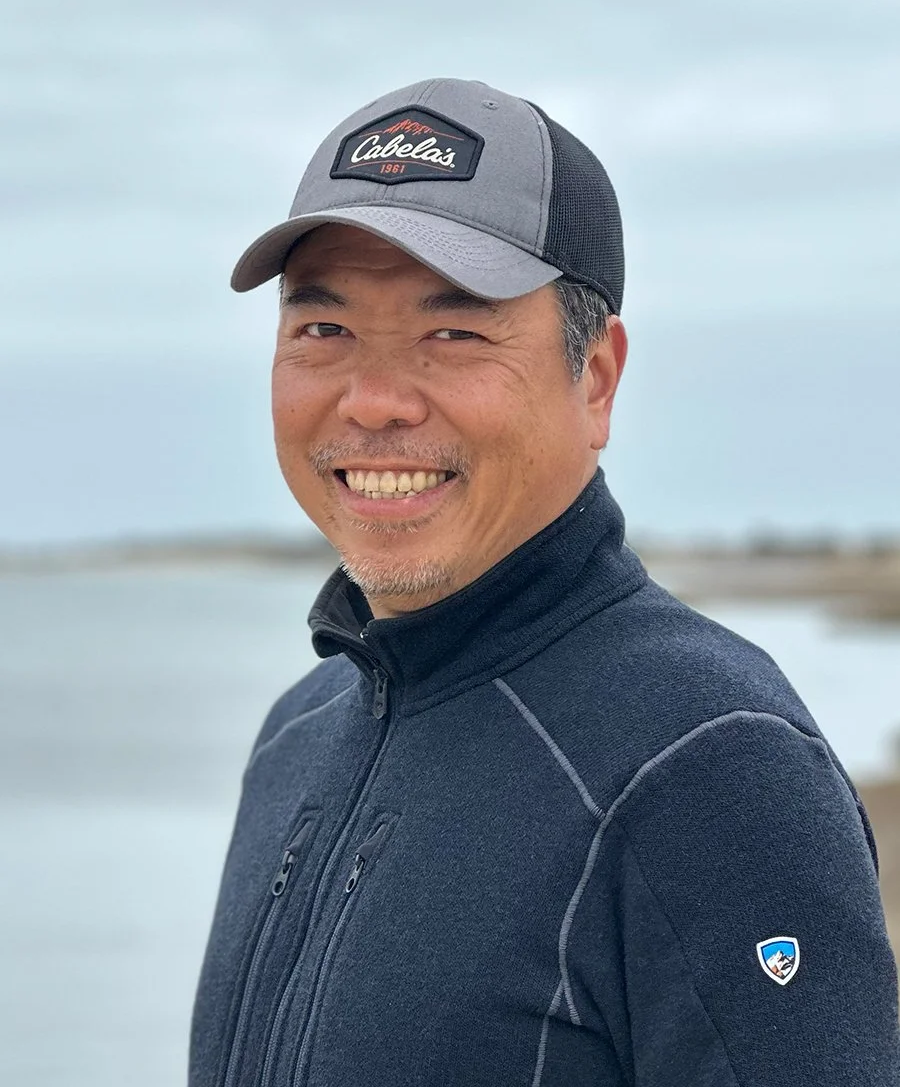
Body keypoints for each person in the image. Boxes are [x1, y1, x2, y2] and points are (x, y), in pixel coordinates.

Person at [189, 78, 899, 1086]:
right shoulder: (297, 735)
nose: (375, 401)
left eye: (455, 332)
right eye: (324, 331)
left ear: (595, 378)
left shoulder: (712, 767)